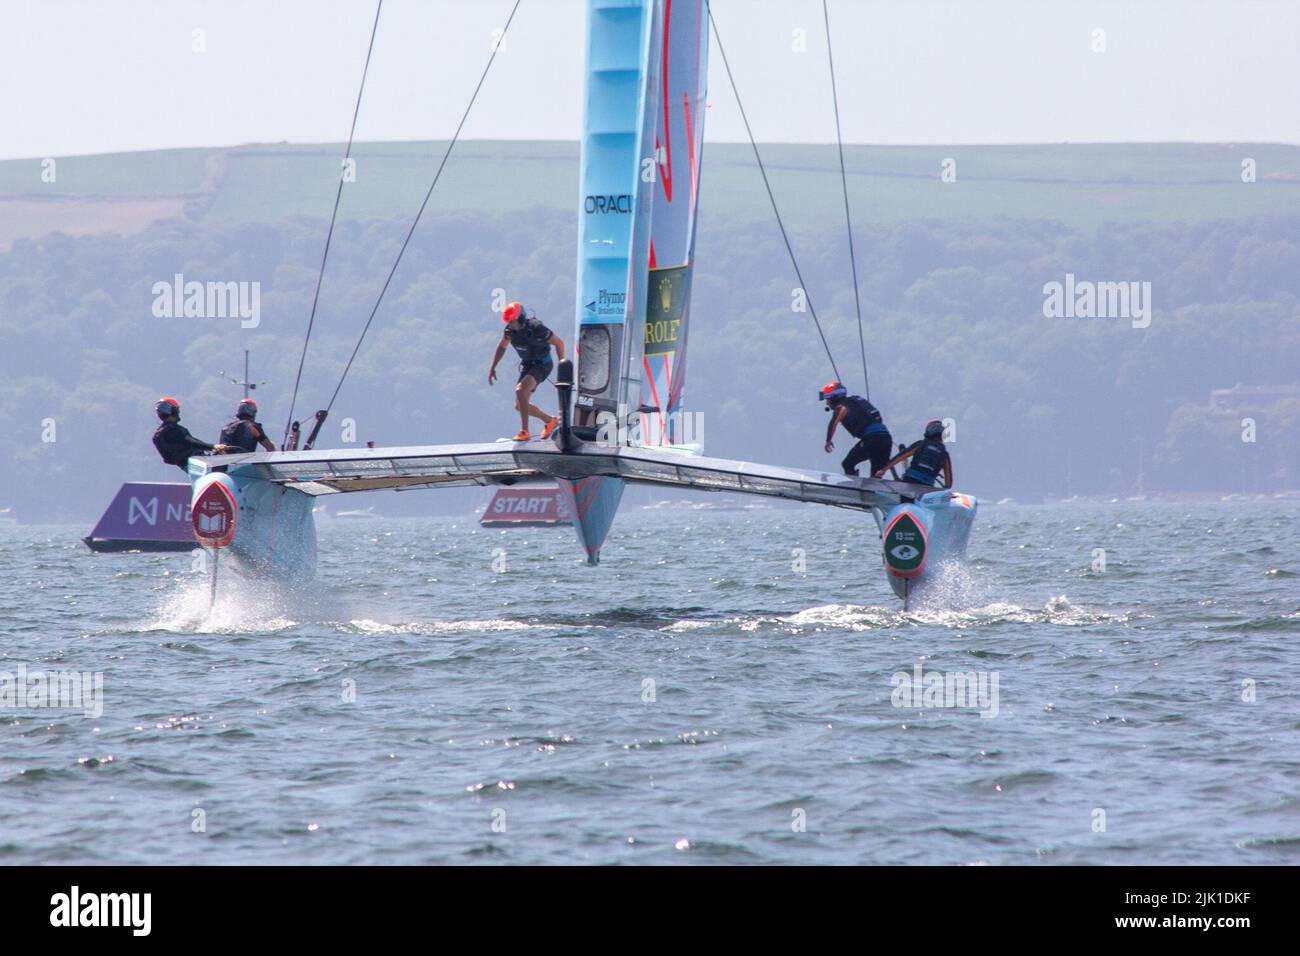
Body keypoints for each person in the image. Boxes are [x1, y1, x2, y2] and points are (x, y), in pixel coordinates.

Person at [488, 301, 566, 441]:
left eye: (513, 322)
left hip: (543, 364)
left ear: (521, 319)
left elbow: (559, 343)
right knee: (519, 405)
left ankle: (524, 431)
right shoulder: (510, 332)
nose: (511, 325)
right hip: (528, 365)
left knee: (520, 390)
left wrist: (563, 367)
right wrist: (493, 367)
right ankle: (550, 421)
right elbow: (501, 347)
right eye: (509, 322)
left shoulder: (537, 329)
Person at [819, 382, 893, 477]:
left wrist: (828, 441)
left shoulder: (842, 407)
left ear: (834, 398)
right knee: (876, 476)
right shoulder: (856, 400)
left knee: (847, 464)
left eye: (828, 399)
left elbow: (833, 423)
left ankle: (854, 488)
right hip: (886, 439)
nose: (827, 403)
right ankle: (871, 491)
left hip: (872, 439)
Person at [151, 397, 227, 472]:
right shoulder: (174, 430)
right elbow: (191, 442)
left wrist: (211, 448)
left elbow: (192, 440)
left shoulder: (162, 431)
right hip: (197, 463)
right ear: (173, 411)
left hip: (187, 465)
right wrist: (213, 446)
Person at [877, 419, 953, 488]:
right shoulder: (944, 454)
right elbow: (948, 482)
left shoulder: (921, 444)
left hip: (910, 480)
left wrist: (883, 470)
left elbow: (900, 457)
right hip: (927, 487)